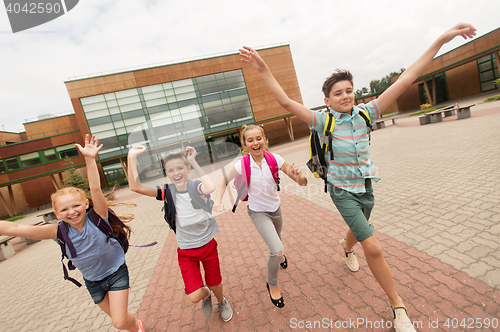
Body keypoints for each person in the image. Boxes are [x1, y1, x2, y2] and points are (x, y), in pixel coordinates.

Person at [239, 23, 476, 331]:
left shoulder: (367, 112)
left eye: (349, 90)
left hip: (366, 187)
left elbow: (406, 79)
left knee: (357, 232)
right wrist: (263, 68)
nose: (345, 96)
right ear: (327, 100)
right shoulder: (323, 121)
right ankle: (398, 307)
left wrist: (442, 39)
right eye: (338, 93)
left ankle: (346, 246)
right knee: (373, 246)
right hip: (341, 191)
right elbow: (285, 102)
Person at [0, 134, 145, 332]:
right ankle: (136, 326)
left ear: (86, 204)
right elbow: (17, 229)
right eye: (65, 209)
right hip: (93, 282)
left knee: (118, 322)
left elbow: (94, 188)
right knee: (121, 320)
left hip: (116, 273)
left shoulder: (98, 217)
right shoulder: (57, 231)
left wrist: (90, 159)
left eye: (76, 205)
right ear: (56, 213)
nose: (72, 212)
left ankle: (135, 326)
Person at [127, 145, 233, 322]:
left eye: (180, 168)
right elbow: (134, 187)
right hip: (186, 251)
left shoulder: (196, 186)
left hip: (208, 245)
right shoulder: (167, 191)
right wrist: (131, 157)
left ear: (188, 169)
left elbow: (210, 187)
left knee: (215, 282)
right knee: (194, 296)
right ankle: (206, 295)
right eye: (170, 170)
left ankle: (221, 301)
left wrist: (193, 161)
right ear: (166, 173)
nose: (175, 172)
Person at [213, 124, 307, 308]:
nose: (255, 143)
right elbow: (223, 181)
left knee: (277, 239)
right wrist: (217, 200)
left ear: (264, 140)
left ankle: (280, 257)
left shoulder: (275, 159)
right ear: (244, 144)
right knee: (277, 250)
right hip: (257, 212)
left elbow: (301, 183)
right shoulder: (242, 164)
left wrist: (299, 176)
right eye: (250, 140)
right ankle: (272, 283)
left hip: (276, 209)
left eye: (258, 138)